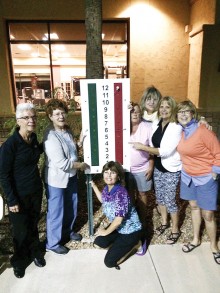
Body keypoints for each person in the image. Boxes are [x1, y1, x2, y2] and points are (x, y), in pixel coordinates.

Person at [0, 103, 45, 278]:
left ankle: (35, 252)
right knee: (19, 231)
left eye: (33, 116)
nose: (31, 120)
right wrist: (11, 201)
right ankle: (19, 262)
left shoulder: (32, 139)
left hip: (34, 191)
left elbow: (37, 151)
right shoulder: (10, 145)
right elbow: (3, 175)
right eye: (26, 117)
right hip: (18, 196)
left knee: (33, 225)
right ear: (18, 121)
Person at [130, 96, 182, 244]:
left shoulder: (176, 127)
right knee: (160, 198)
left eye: (167, 107)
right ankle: (165, 223)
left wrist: (142, 147)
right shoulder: (157, 123)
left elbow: (164, 151)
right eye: (162, 107)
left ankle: (175, 229)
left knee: (171, 200)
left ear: (172, 109)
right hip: (159, 168)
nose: (164, 109)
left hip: (171, 168)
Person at [176, 100, 220, 265]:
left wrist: (214, 174)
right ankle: (196, 239)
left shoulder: (203, 131)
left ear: (193, 114)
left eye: (187, 111)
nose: (184, 115)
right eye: (180, 112)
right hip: (188, 177)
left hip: (206, 178)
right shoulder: (180, 131)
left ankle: (214, 247)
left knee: (208, 214)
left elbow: (218, 153)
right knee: (194, 207)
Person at [43, 98, 89, 255]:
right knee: (56, 211)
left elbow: (73, 150)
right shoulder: (50, 135)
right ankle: (53, 243)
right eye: (56, 114)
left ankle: (67, 232)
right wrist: (81, 166)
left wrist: (81, 140)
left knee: (71, 206)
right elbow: (62, 163)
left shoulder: (67, 130)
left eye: (62, 113)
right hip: (56, 179)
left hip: (71, 176)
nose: (61, 116)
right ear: (50, 116)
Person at [90, 161, 145, 270]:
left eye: (113, 173)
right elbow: (103, 200)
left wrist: (106, 231)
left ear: (119, 176)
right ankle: (119, 245)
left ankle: (136, 245)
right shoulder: (107, 188)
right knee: (98, 243)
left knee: (109, 263)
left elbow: (118, 221)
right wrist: (94, 186)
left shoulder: (121, 193)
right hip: (119, 229)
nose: (109, 175)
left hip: (130, 232)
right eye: (106, 172)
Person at [129, 103, 154, 229]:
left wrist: (151, 166)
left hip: (142, 167)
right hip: (126, 169)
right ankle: (131, 219)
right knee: (128, 194)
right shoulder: (122, 125)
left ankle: (142, 219)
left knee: (142, 194)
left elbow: (152, 149)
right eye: (132, 111)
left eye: (138, 111)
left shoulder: (147, 127)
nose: (135, 113)